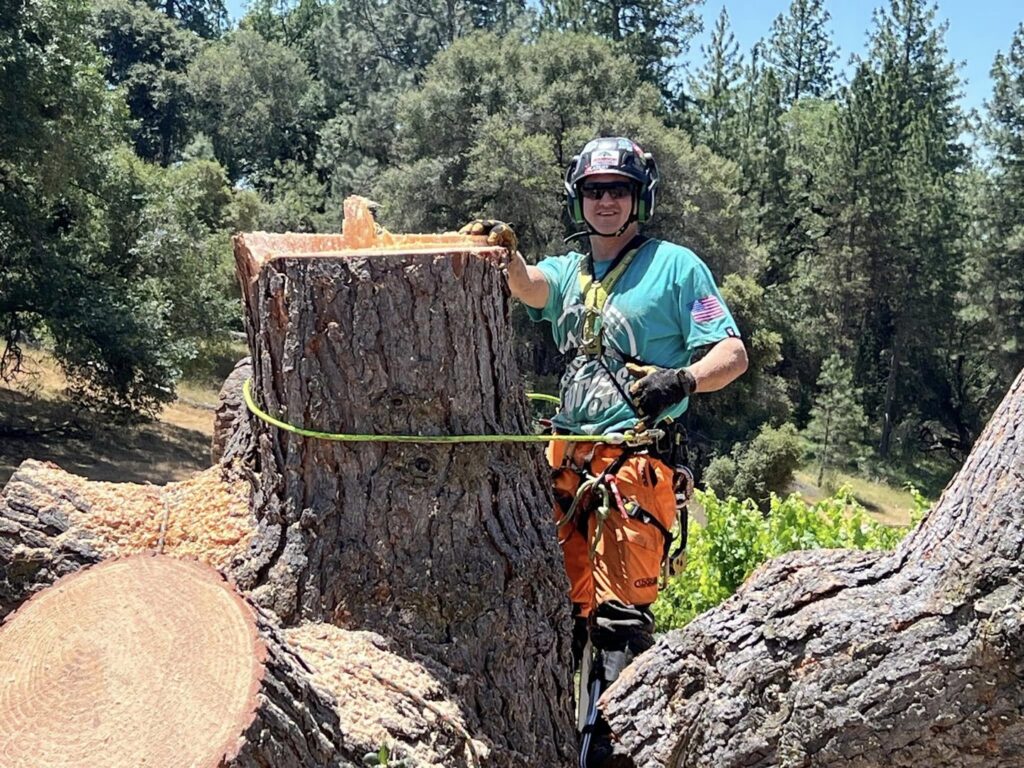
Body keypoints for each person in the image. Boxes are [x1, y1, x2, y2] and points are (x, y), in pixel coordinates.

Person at [463, 136, 747, 767]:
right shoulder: (570, 271)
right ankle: (548, 742)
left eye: (618, 190)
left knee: (617, 624)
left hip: (636, 463)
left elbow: (733, 353)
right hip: (565, 461)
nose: (607, 202)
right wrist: (502, 254)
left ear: (638, 196)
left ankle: (614, 753)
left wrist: (685, 380)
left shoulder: (677, 267)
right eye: (595, 191)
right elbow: (530, 286)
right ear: (578, 200)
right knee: (555, 611)